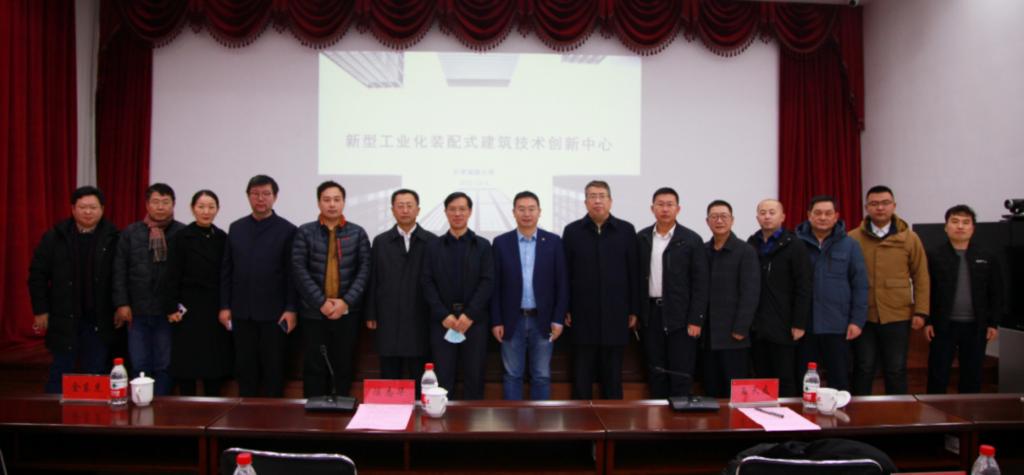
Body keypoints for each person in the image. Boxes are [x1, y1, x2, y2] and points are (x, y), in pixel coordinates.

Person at [29, 186, 119, 393]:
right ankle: (53, 412)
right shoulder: (55, 236)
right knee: (61, 369)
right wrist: (40, 310)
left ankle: (93, 412)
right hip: (64, 316)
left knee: (96, 371)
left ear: (102, 209)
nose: (88, 212)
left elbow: (121, 276)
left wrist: (120, 306)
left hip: (99, 317)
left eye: (93, 207)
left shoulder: (114, 237)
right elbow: (37, 275)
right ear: (73, 209)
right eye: (82, 207)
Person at [219, 175, 298, 397]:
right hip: (241, 312)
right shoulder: (236, 228)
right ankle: (245, 415)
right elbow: (227, 270)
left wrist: (291, 308)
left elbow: (292, 274)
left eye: (266, 194)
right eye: (255, 194)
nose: (260, 199)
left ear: (275, 197)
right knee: (245, 369)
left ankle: (273, 416)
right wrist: (224, 305)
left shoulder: (288, 230)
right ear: (248, 196)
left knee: (274, 369)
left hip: (276, 314)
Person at [292, 180, 370, 398]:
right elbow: (299, 269)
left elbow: (365, 270)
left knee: (343, 363)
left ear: (344, 202)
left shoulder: (357, 233)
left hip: (347, 313)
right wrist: (321, 302)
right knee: (314, 364)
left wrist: (346, 302)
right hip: (314, 312)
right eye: (327, 200)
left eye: (337, 199)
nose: (332, 204)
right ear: (319, 203)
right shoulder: (305, 232)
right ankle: (314, 410)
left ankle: (341, 409)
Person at [848, 185, 929, 395]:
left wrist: (921, 311)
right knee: (864, 367)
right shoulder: (853, 238)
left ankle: (898, 411)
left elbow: (921, 276)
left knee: (896, 368)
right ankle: (859, 411)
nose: (880, 208)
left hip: (898, 314)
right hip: (864, 315)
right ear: (866, 207)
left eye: (885, 203)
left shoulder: (909, 238)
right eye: (874, 204)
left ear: (894, 206)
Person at [562, 180, 640, 400]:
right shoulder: (572, 231)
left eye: (602, 196)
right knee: (582, 377)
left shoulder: (626, 230)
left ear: (610, 201)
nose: (597, 201)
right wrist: (565, 308)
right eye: (592, 196)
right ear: (585, 202)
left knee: (613, 378)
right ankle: (581, 421)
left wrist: (634, 309)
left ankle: (613, 421)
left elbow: (634, 273)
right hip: (582, 315)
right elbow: (565, 274)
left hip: (616, 315)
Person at [490, 191, 569, 400]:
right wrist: (496, 320)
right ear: (514, 212)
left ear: (539, 212)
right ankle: (512, 420)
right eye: (521, 209)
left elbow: (562, 284)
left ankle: (540, 421)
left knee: (541, 375)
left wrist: (558, 319)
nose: (526, 214)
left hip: (543, 320)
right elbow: (495, 286)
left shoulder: (553, 242)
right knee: (511, 375)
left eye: (531, 209)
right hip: (511, 319)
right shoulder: (501, 243)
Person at [113, 183, 186, 396]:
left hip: (168, 312)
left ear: (174, 204)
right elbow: (119, 270)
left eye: (165, 202)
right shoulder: (131, 233)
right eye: (155, 202)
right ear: (147, 205)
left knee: (165, 363)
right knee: (139, 362)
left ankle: (161, 404)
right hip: (137, 310)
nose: (160, 207)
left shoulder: (183, 233)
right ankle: (141, 401)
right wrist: (121, 303)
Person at [637, 187, 708, 398]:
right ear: (652, 208)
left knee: (681, 371)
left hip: (681, 316)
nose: (665, 209)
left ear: (678, 209)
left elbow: (700, 283)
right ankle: (658, 415)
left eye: (670, 205)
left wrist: (696, 319)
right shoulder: (641, 238)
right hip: (651, 314)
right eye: (660, 204)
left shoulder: (691, 240)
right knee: (655, 369)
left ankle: (680, 415)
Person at [421, 192, 494, 400]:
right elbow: (426, 282)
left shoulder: (483, 245)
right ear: (445, 212)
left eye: (462, 209)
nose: (457, 213)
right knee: (443, 378)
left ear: (470, 212)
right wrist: (443, 315)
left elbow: (487, 282)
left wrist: (469, 315)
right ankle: (442, 418)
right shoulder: (433, 246)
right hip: (443, 321)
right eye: (452, 209)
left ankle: (473, 421)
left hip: (474, 322)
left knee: (475, 376)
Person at [160, 190, 232, 396]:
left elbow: (227, 273)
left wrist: (226, 305)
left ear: (217, 209)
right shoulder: (181, 237)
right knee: (187, 363)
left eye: (211, 207)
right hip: (187, 308)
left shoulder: (222, 237)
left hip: (214, 306)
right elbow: (171, 274)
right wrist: (171, 306)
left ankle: (214, 405)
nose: (206, 211)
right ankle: (186, 408)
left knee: (213, 362)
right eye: (201, 207)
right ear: (192, 209)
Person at [925, 204, 1002, 394]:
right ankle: (933, 412)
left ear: (973, 228)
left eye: (966, 222)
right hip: (943, 326)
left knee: (972, 375)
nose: (960, 226)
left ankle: (969, 411)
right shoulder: (933, 256)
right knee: (938, 375)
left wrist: (993, 323)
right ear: (946, 227)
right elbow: (925, 291)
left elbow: (996, 291)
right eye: (955, 221)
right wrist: (928, 321)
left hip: (976, 327)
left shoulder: (987, 256)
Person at [366, 189, 437, 394]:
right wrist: (371, 313)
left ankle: (419, 411)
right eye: (400, 206)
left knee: (419, 372)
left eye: (409, 206)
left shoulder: (431, 241)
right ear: (393, 210)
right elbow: (373, 278)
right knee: (389, 373)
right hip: (388, 316)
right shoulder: (381, 241)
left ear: (418, 210)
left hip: (420, 316)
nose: (405, 210)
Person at [794, 195, 868, 391]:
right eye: (818, 213)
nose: (823, 217)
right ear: (809, 215)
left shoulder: (850, 245)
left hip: (838, 325)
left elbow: (860, 285)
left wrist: (857, 320)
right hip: (805, 326)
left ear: (836, 216)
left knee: (839, 380)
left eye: (828, 213)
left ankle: (840, 411)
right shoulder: (795, 244)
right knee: (805, 381)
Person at [745, 199, 812, 397]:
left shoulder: (795, 245)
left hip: (785, 324)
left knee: (785, 377)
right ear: (757, 217)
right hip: (757, 325)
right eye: (763, 213)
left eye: (772, 212)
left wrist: (799, 323)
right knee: (761, 376)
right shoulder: (751, 244)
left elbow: (803, 287)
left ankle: (788, 416)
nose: (767, 216)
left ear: (782, 217)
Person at [702, 200, 760, 398]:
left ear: (732, 220)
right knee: (710, 388)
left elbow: (751, 292)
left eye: (724, 216)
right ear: (707, 221)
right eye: (714, 217)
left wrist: (741, 328)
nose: (719, 221)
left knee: (734, 392)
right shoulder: (703, 250)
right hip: (708, 336)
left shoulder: (745, 251)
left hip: (734, 336)